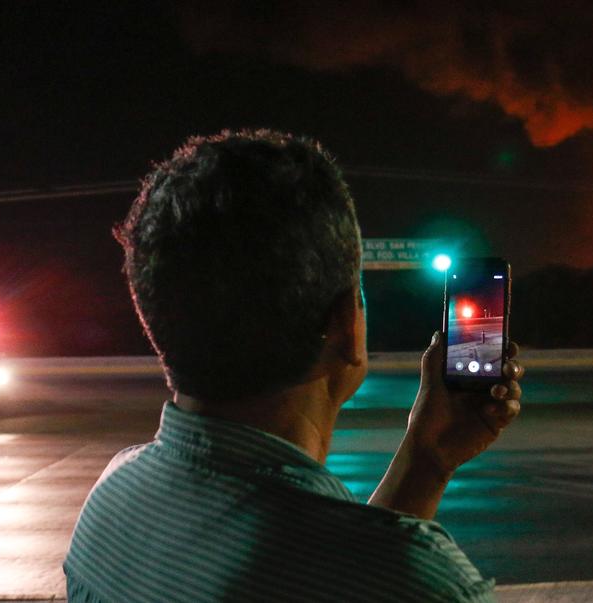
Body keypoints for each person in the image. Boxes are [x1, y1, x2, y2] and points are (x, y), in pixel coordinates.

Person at [63, 130, 523, 602]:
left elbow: (344, 569)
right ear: (345, 325)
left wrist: (427, 461)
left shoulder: (111, 500)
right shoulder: (430, 586)